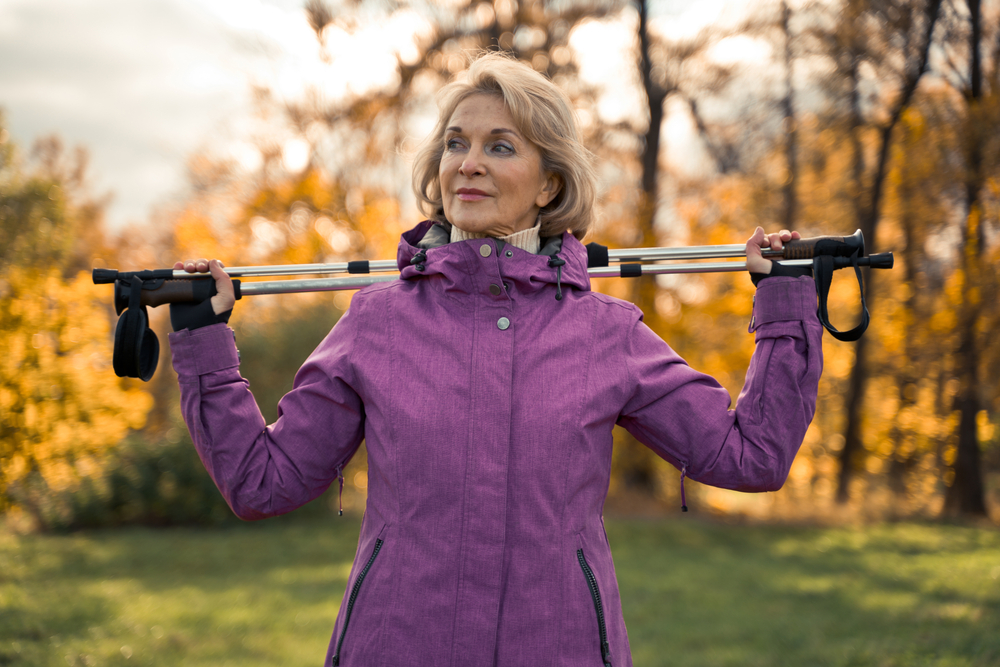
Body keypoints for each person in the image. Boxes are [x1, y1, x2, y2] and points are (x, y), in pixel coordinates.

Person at [169, 53, 822, 667]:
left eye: (500, 146)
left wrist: (786, 304)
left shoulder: (605, 333)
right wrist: (203, 338)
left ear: (550, 184)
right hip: (396, 644)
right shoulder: (378, 323)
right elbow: (262, 482)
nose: (469, 163)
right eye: (456, 142)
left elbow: (751, 456)